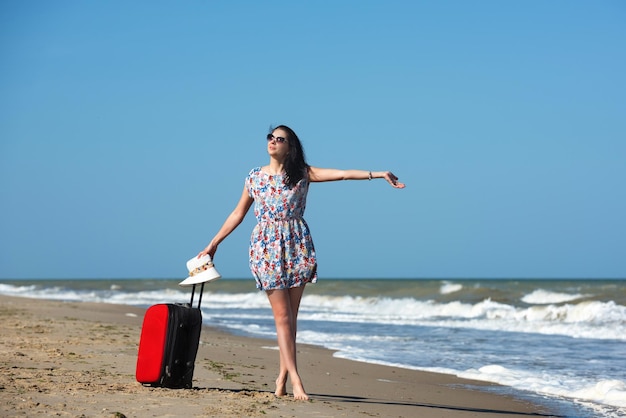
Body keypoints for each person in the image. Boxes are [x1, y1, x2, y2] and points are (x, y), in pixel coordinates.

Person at [197, 125, 405, 401]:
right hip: (266, 247)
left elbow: (342, 174)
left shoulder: (302, 174)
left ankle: (282, 376)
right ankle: (296, 380)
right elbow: (238, 213)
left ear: (290, 147)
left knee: (290, 320)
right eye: (270, 137)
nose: (272, 141)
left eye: (279, 139)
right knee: (282, 317)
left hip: (297, 245)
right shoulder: (255, 177)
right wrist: (214, 243)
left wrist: (377, 174)